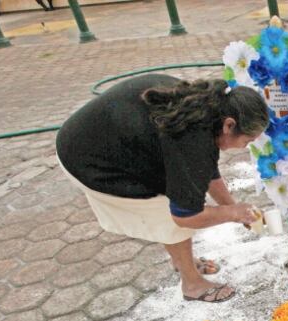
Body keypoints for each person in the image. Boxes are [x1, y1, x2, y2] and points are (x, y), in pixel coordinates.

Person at [56, 75, 269, 303]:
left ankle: (181, 261)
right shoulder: (193, 139)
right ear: (229, 125)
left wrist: (231, 206)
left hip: (100, 139)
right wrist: (233, 213)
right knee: (167, 208)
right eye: (247, 141)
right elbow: (186, 216)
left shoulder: (206, 106)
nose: (245, 146)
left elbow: (204, 171)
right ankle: (192, 284)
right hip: (90, 160)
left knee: (178, 191)